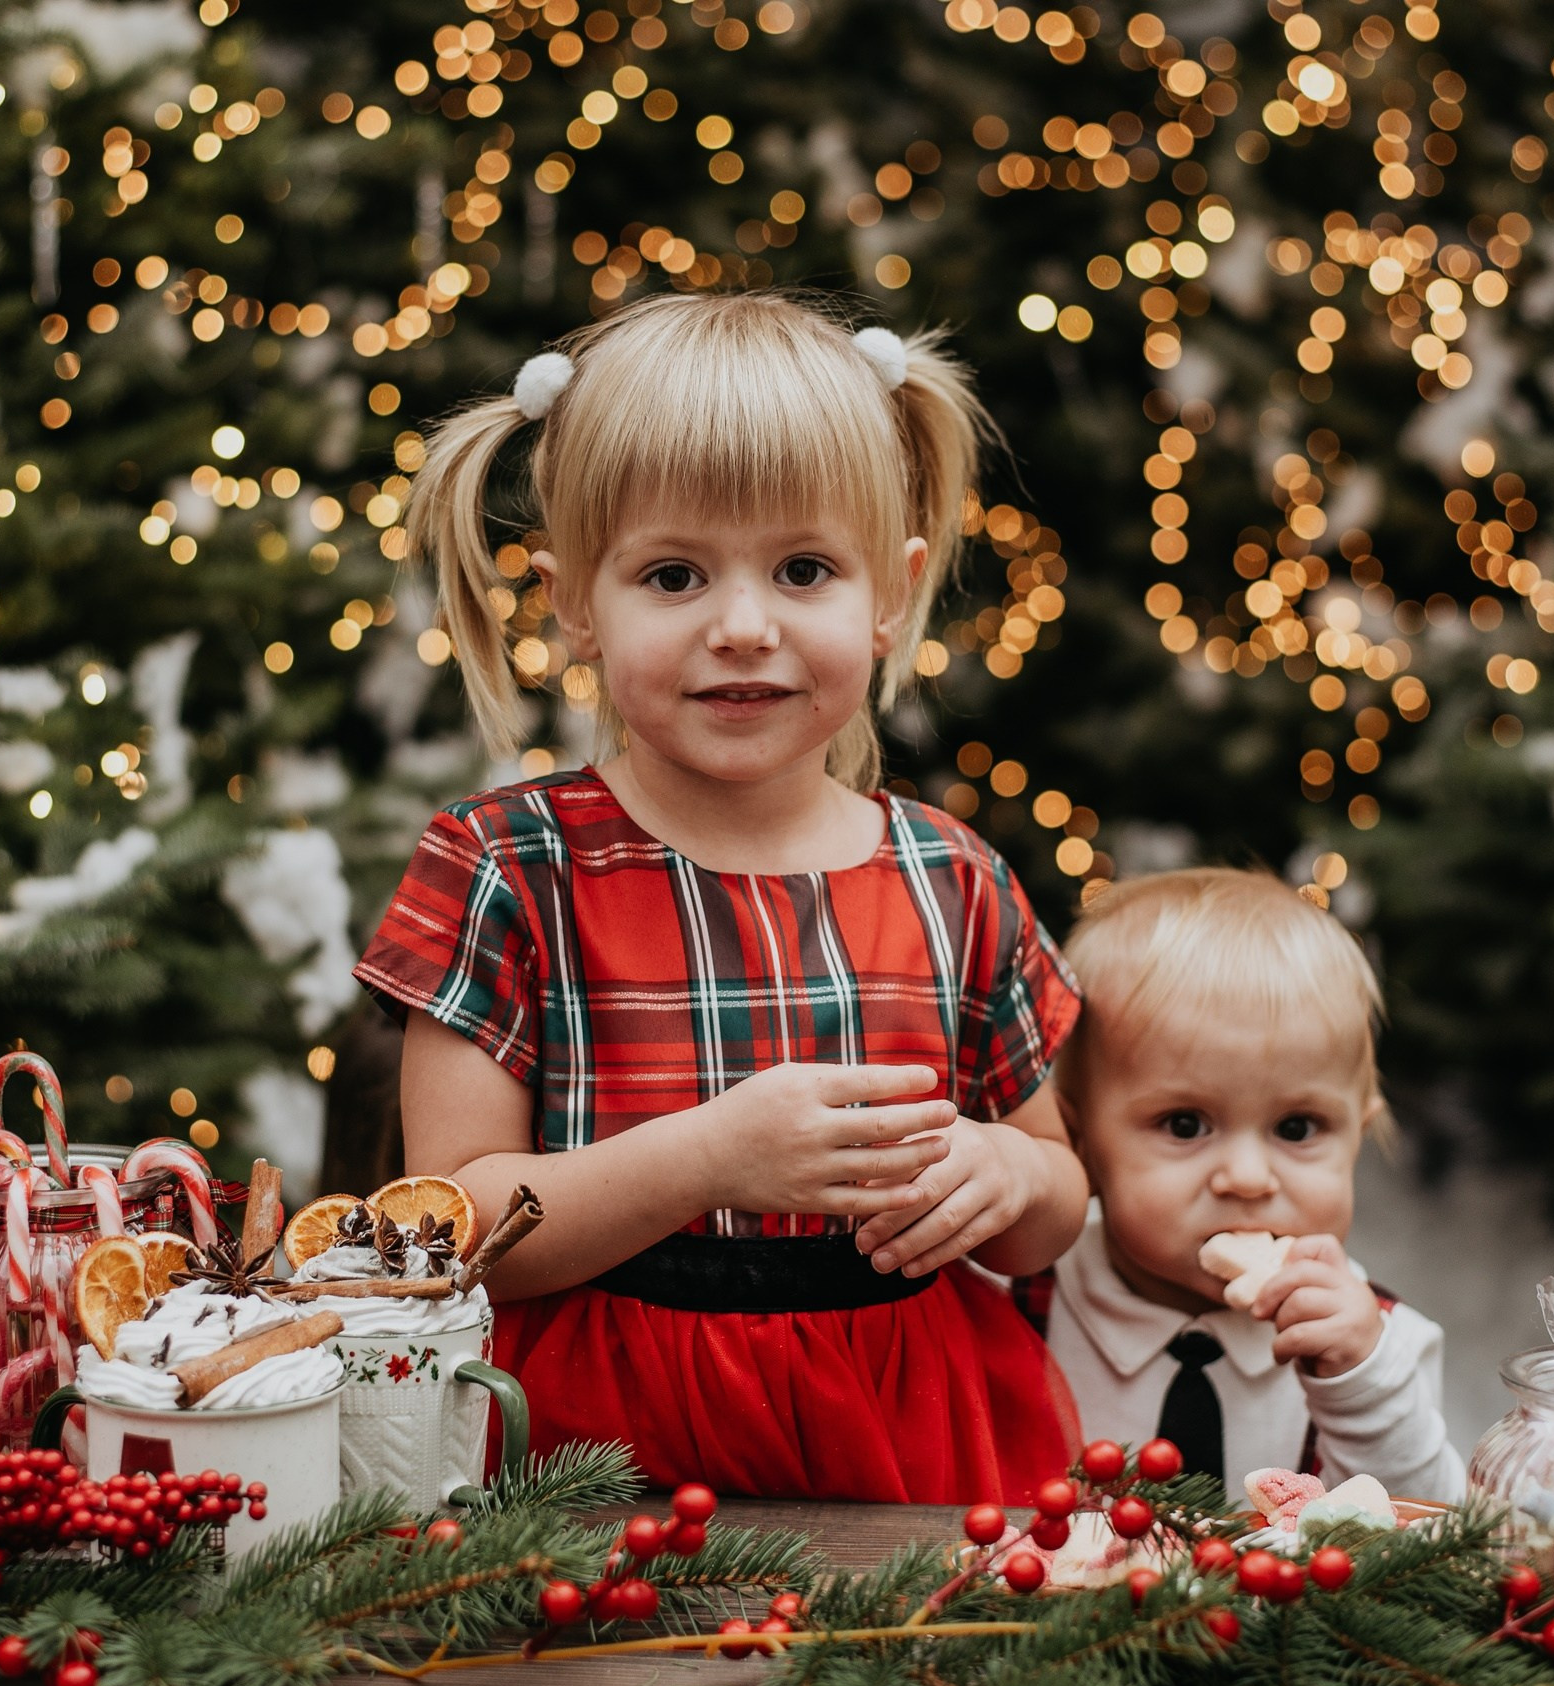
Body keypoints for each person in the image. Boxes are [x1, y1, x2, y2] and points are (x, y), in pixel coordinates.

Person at [355, 293, 1088, 1502]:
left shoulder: (954, 878)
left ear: (892, 591)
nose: (743, 627)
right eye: (674, 574)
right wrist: (707, 1158)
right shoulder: (507, 866)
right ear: (575, 603)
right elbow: (451, 1230)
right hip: (591, 1454)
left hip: (898, 1439)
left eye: (804, 569)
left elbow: (1052, 1201)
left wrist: (1002, 1177)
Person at [1020, 868, 1464, 1501]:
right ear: (1079, 1140)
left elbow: (1433, 1540)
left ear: (1356, 1136)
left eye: (1296, 1126)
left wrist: (1362, 1391)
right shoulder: (1011, 1301)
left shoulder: (1381, 1345)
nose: (1249, 1179)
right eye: (1184, 1124)